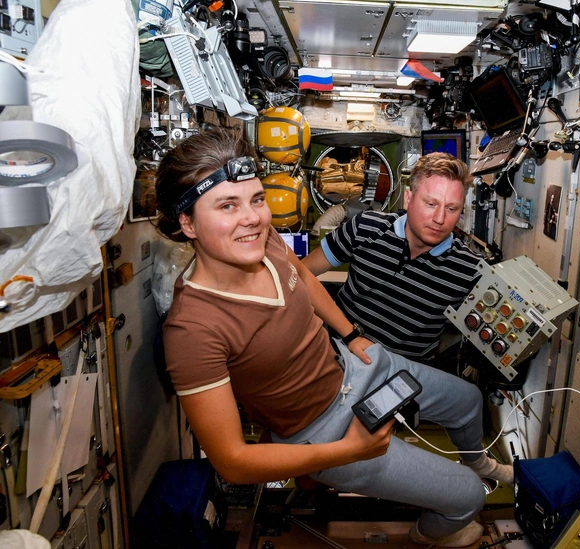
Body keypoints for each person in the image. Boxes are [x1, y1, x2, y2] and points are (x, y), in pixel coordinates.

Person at [153, 128, 513, 548]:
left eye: (257, 199)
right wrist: (349, 451)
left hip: (357, 365)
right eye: (227, 205)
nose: (252, 218)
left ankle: (479, 462)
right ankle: (424, 537)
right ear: (188, 222)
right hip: (324, 430)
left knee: (468, 400)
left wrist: (352, 334)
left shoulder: (263, 241)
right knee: (468, 498)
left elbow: (303, 276)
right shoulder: (192, 328)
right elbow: (232, 461)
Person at [303, 152, 482, 361]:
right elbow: (299, 273)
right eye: (431, 204)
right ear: (408, 198)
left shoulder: (469, 269)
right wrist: (350, 336)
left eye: (451, 208)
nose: (440, 219)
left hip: (404, 373)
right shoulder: (365, 227)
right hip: (339, 354)